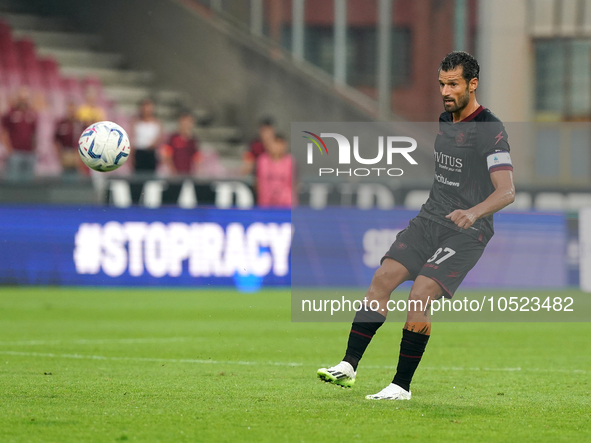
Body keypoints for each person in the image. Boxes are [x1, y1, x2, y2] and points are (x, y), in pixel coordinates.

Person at [317, 51, 516, 400]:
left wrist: (473, 212)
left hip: (467, 230)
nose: (445, 91)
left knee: (420, 292)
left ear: (473, 84)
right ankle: (348, 366)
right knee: (383, 278)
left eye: (453, 84)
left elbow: (507, 191)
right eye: (441, 84)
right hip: (430, 219)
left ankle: (400, 386)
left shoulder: (490, 130)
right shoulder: (445, 120)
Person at [1, 87, 38, 181]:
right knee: (13, 181)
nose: (23, 101)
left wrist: (34, 149)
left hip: (29, 153)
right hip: (15, 153)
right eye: (21, 98)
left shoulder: (32, 113)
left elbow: (34, 133)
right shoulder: (10, 113)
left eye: (25, 99)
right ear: (17, 99)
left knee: (28, 183)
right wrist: (9, 149)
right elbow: (4, 132)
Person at [256, 134, 296, 207]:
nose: (277, 147)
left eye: (280, 144)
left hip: (285, 202)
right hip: (266, 201)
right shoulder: (262, 160)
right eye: (275, 144)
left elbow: (293, 183)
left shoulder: (290, 161)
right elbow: (259, 182)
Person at [161, 112, 201, 176]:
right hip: (174, 174)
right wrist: (171, 170)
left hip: (187, 173)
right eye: (185, 122)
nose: (187, 125)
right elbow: (166, 155)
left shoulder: (193, 141)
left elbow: (197, 158)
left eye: (189, 122)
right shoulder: (173, 138)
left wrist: (198, 172)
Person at [131, 98, 163, 174]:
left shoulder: (157, 123)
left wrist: (153, 144)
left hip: (150, 152)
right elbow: (133, 138)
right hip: (139, 152)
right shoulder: (136, 122)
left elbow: (160, 137)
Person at [54, 100, 84, 177]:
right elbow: (55, 140)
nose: (71, 111)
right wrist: (59, 154)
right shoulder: (61, 123)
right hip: (65, 153)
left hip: (76, 154)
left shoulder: (79, 124)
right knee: (65, 178)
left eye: (73, 109)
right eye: (70, 109)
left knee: (76, 178)